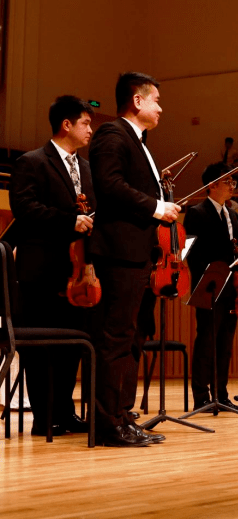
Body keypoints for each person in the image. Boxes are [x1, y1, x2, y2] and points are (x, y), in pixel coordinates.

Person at [88, 72, 179, 447]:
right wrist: (158, 206)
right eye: (156, 100)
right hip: (119, 255)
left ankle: (123, 417)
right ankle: (108, 424)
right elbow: (109, 187)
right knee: (115, 339)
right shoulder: (113, 135)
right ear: (137, 102)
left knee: (134, 339)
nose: (160, 108)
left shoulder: (140, 143)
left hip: (140, 257)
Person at [8, 95, 95, 437]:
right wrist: (69, 221)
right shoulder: (32, 162)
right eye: (86, 123)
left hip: (78, 273)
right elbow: (25, 209)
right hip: (41, 270)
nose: (91, 129)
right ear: (66, 125)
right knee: (41, 348)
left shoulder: (87, 169)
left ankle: (65, 411)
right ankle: (44, 417)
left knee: (72, 344)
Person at [183, 163, 238, 412]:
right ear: (212, 185)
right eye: (227, 182)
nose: (232, 186)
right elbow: (193, 253)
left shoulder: (235, 216)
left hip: (233, 287)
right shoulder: (196, 213)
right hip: (209, 285)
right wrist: (213, 272)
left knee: (225, 344)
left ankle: (221, 393)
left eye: (233, 182)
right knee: (206, 342)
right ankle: (201, 396)